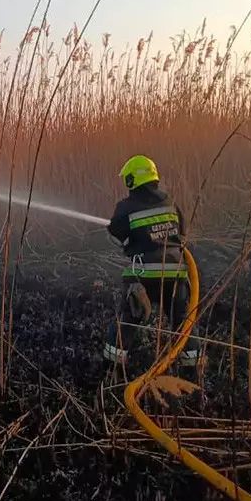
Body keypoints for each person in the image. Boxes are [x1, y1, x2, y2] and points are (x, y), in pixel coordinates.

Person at [103, 155, 201, 369]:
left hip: (144, 276)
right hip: (176, 275)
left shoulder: (125, 207)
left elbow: (116, 237)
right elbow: (181, 236)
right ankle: (192, 366)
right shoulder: (171, 203)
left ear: (132, 180)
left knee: (128, 320)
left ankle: (112, 367)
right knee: (182, 322)